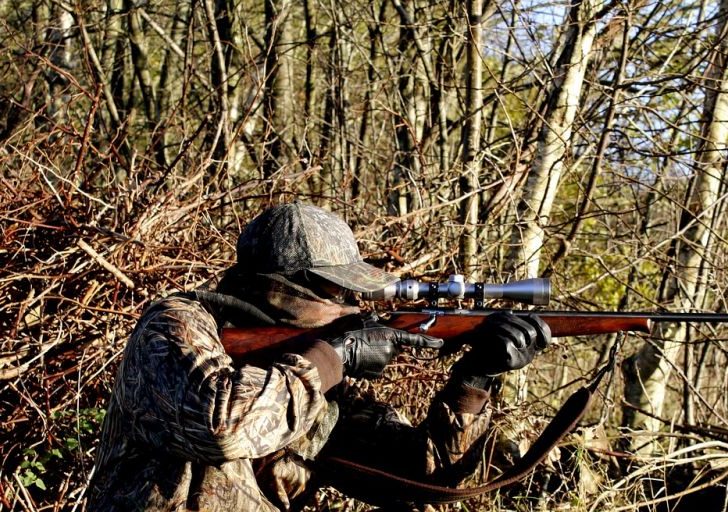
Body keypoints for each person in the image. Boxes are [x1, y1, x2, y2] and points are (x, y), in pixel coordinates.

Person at [87, 202, 550, 511]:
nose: (351, 306)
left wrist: (474, 380)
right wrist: (334, 356)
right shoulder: (177, 325)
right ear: (283, 288)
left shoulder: (312, 382)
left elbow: (426, 478)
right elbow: (221, 428)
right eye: (338, 291)